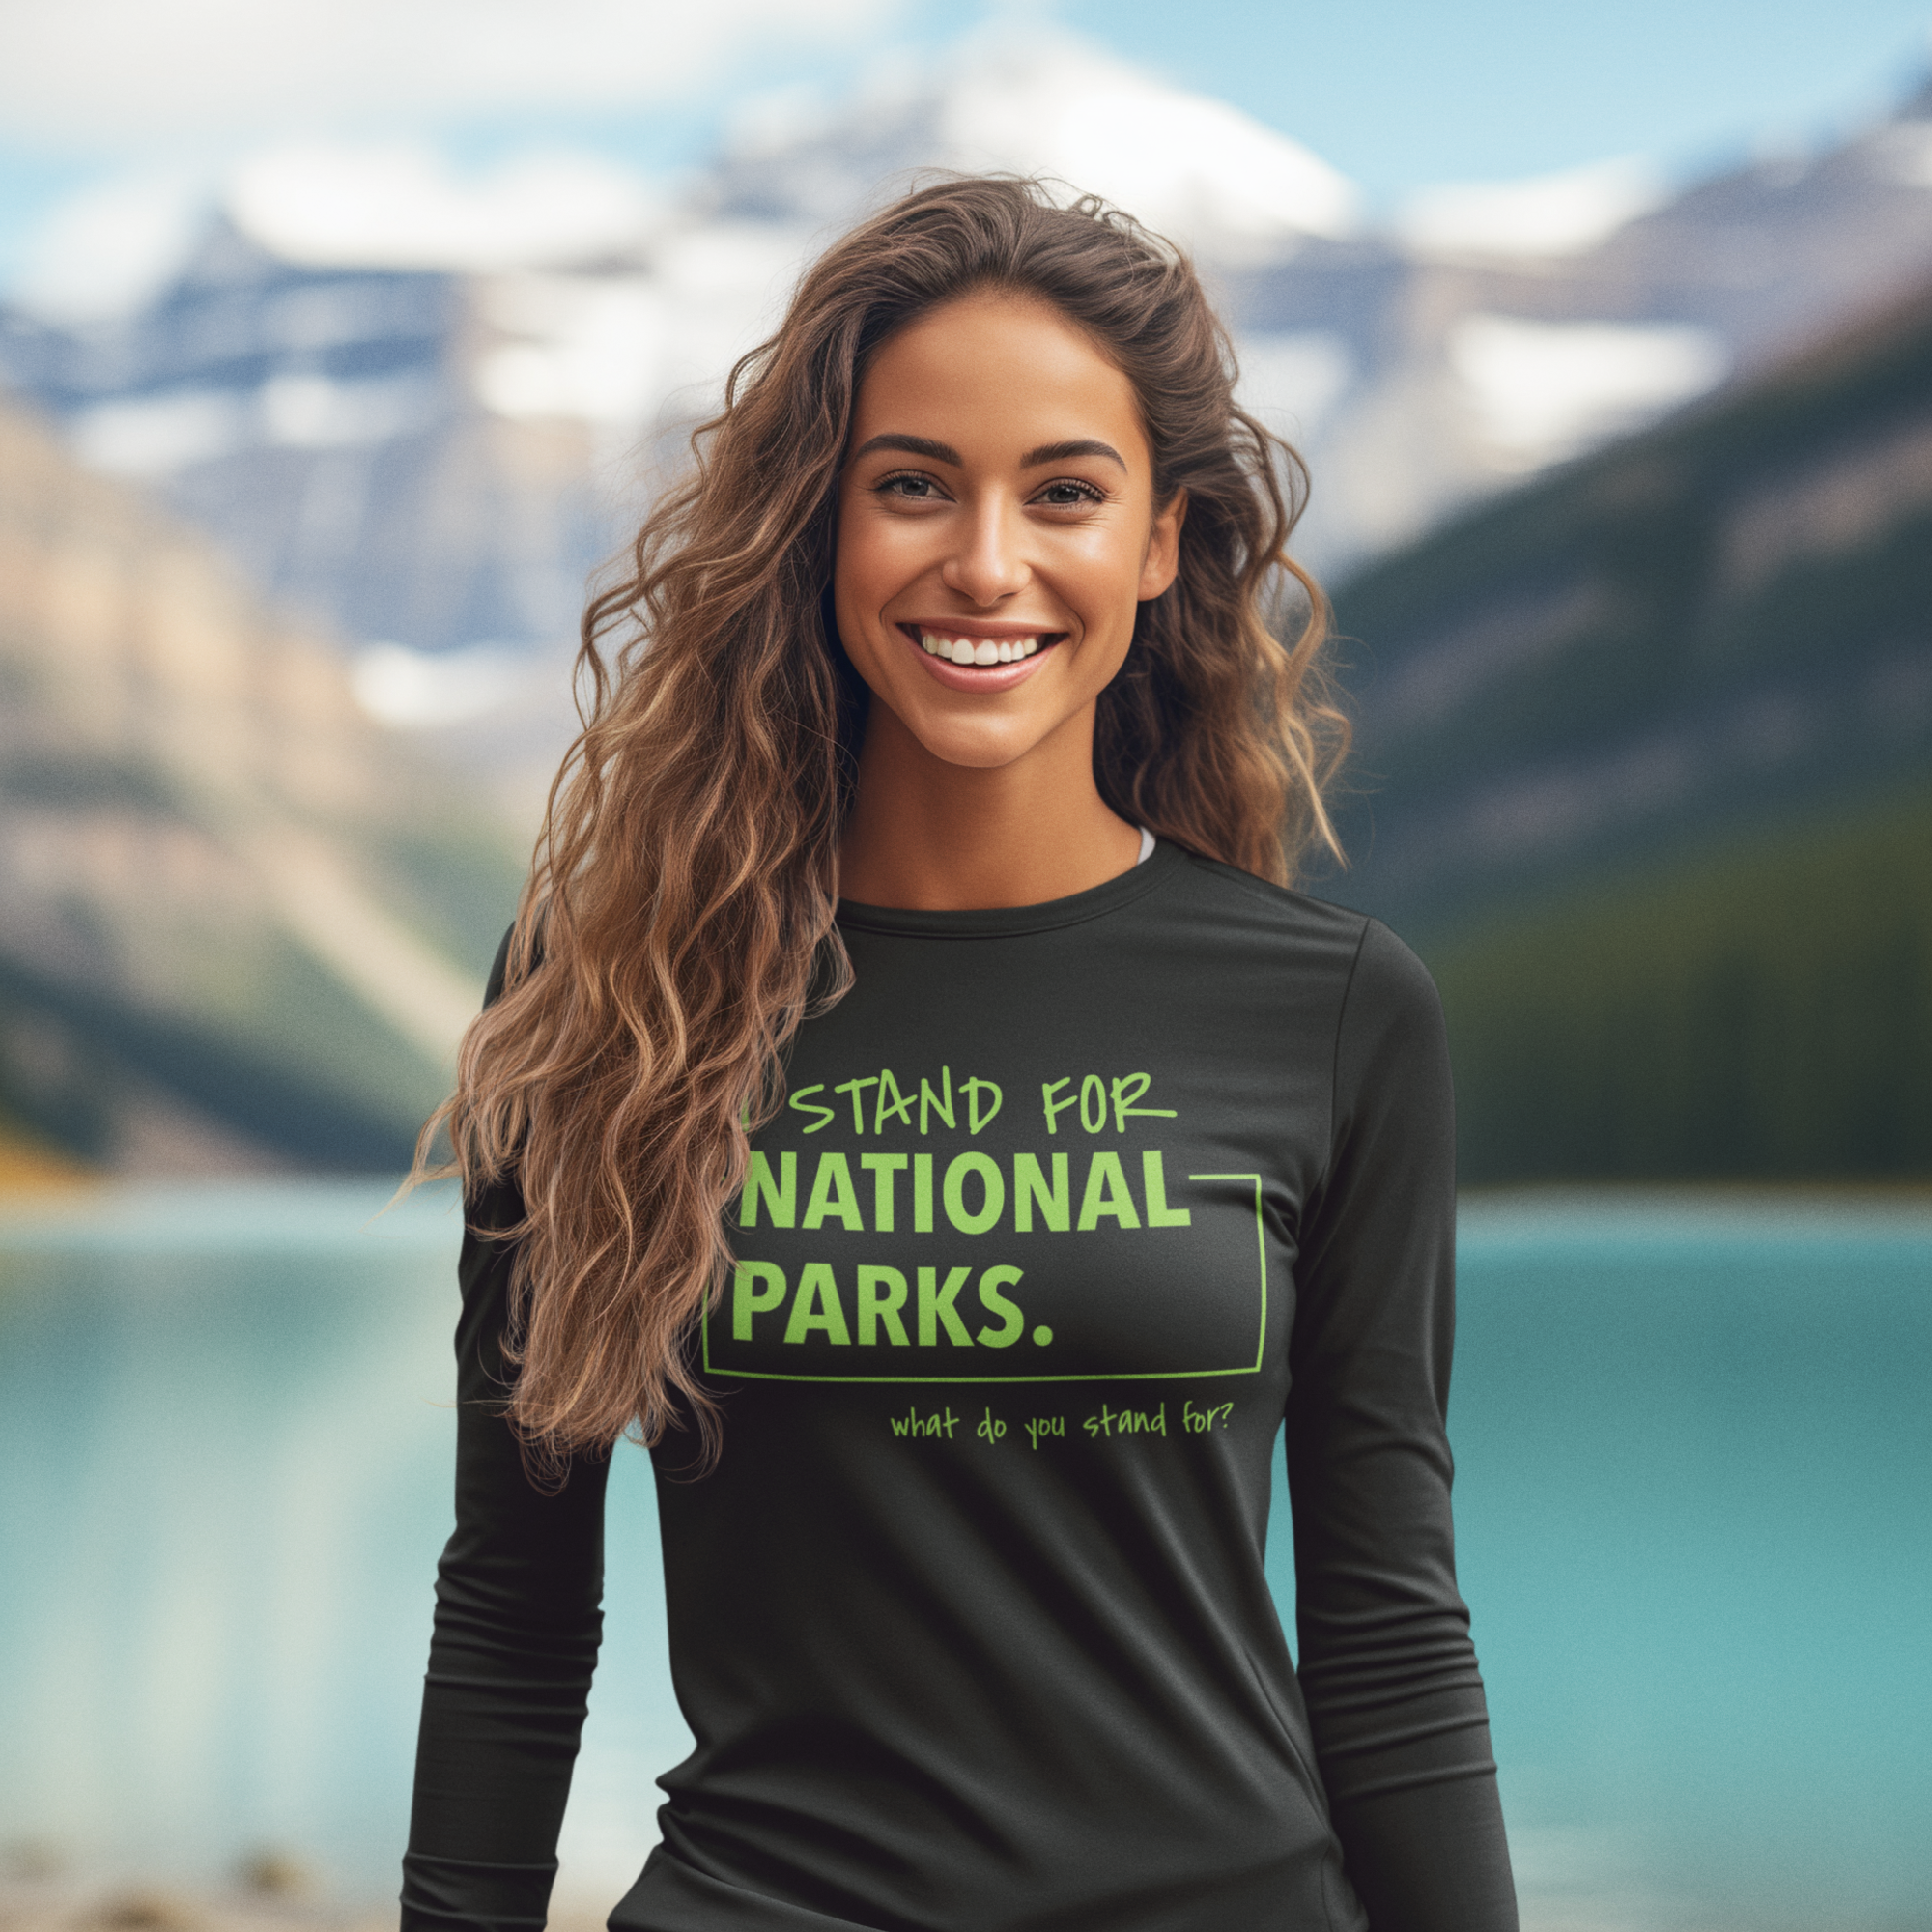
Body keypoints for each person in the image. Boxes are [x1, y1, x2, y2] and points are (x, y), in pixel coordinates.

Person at [401, 175, 1518, 1932]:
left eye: (1065, 493)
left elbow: (1386, 1629)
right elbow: (518, 1603)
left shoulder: (1337, 1012)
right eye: (912, 484)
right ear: (818, 529)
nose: (985, 561)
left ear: (1158, 543)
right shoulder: (615, 994)